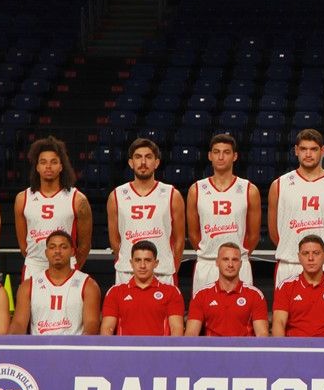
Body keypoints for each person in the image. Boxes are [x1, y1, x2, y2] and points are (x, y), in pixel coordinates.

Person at [267, 128, 324, 287]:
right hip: (289, 265)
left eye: (313, 149)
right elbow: (274, 232)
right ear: (296, 150)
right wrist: (293, 250)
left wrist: (322, 253)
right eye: (303, 149)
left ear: (323, 150)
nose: (308, 154)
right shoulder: (279, 185)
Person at [187, 133, 261, 290]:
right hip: (207, 263)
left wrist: (237, 256)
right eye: (216, 152)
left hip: (238, 264)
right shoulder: (196, 189)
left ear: (235, 156)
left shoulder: (249, 190)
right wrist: (209, 252)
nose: (221, 157)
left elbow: (254, 235)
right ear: (210, 156)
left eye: (226, 152)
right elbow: (193, 234)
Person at [107, 138, 185, 287]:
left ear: (157, 162)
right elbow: (115, 240)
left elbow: (179, 240)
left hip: (162, 272)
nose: (143, 162)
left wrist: (171, 268)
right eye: (138, 157)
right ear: (131, 163)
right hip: (127, 272)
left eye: (148, 157)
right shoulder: (116, 195)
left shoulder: (172, 194)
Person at [14, 136, 91, 279]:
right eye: (43, 162)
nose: (48, 166)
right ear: (37, 167)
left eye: (53, 162)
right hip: (34, 265)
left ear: (61, 166)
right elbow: (24, 247)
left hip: (66, 266)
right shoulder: (22, 199)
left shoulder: (78, 199)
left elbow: (84, 246)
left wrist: (69, 265)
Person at [9, 230, 101, 335]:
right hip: (40, 344)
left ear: (72, 251)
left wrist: (81, 344)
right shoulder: (28, 285)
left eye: (63, 247)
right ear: (46, 253)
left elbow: (92, 323)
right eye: (52, 247)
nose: (57, 251)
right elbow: (19, 323)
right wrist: (10, 340)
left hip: (73, 344)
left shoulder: (88, 285)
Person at [271, 234, 324, 337]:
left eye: (316, 253)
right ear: (299, 257)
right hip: (295, 345)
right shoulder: (285, 287)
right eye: (305, 253)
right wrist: (282, 347)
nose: (310, 258)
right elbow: (279, 323)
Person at [100, 240, 185, 336]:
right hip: (125, 346)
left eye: (147, 260)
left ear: (156, 263)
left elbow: (176, 329)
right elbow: (107, 329)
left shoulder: (171, 292)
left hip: (159, 346)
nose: (142, 266)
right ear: (131, 263)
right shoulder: (115, 292)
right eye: (138, 260)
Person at [185, 243, 269, 336]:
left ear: (241, 264)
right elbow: (191, 334)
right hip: (212, 345)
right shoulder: (201, 295)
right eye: (225, 259)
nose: (230, 264)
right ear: (217, 262)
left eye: (235, 260)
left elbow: (262, 335)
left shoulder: (255, 295)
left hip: (243, 346)